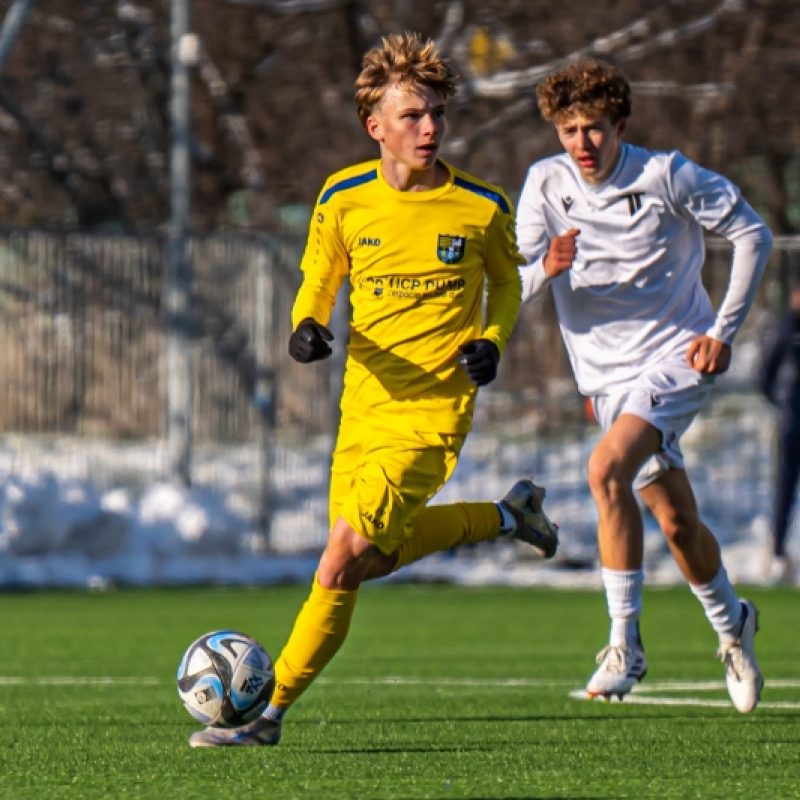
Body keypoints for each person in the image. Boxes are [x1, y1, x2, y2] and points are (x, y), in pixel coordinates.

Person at [188, 31, 559, 748]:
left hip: (431, 417)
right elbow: (318, 278)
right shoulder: (345, 198)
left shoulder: (480, 207)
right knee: (371, 561)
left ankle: (265, 714)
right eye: (413, 116)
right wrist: (305, 325)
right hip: (361, 409)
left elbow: (510, 283)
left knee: (338, 560)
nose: (429, 128)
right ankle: (511, 517)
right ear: (375, 126)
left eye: (437, 115)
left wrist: (491, 341)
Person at [515, 60, 773, 712]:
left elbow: (753, 233)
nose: (582, 144)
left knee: (605, 470)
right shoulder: (544, 184)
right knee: (677, 521)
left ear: (620, 125)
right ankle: (732, 625)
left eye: (595, 128)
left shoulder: (666, 175)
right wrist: (546, 267)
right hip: (607, 383)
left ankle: (624, 645)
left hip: (677, 356)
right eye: (569, 129)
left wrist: (723, 331)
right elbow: (509, 284)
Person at [758, 284, 800, 585]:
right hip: (791, 419)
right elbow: (764, 374)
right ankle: (777, 552)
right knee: (784, 486)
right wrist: (782, 400)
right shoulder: (785, 329)